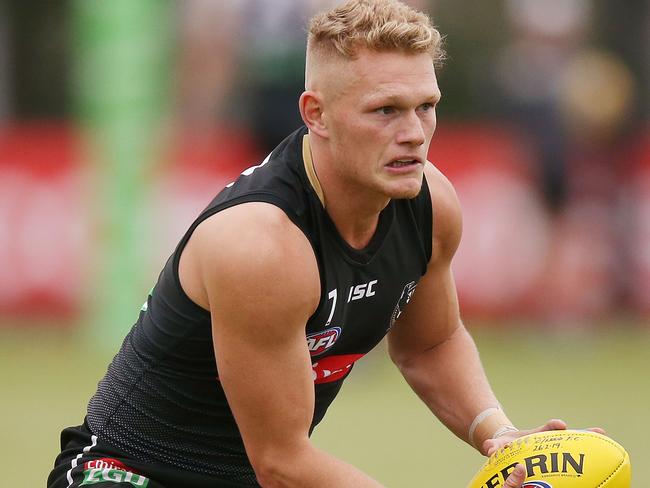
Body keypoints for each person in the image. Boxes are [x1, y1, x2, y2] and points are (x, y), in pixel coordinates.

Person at [48, 1, 581, 487]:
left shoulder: (430, 204)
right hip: (126, 474)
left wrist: (502, 438)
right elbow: (282, 463)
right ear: (315, 114)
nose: (415, 133)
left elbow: (430, 345)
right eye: (385, 110)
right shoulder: (262, 244)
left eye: (426, 106)